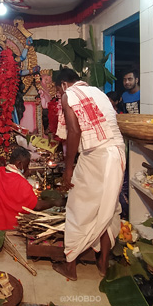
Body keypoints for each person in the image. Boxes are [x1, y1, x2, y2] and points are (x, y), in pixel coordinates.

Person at [54, 68, 126, 280]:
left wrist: (69, 169)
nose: (59, 96)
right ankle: (103, 263)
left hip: (96, 155)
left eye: (58, 92)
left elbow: (74, 131)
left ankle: (70, 267)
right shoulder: (98, 92)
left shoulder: (70, 95)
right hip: (118, 153)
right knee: (108, 206)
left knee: (79, 208)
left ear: (64, 85)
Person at [0, 146, 62, 230]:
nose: (28, 169)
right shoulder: (21, 183)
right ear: (19, 164)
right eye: (26, 165)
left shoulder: (0, 172)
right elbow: (37, 206)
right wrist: (55, 202)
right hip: (9, 226)